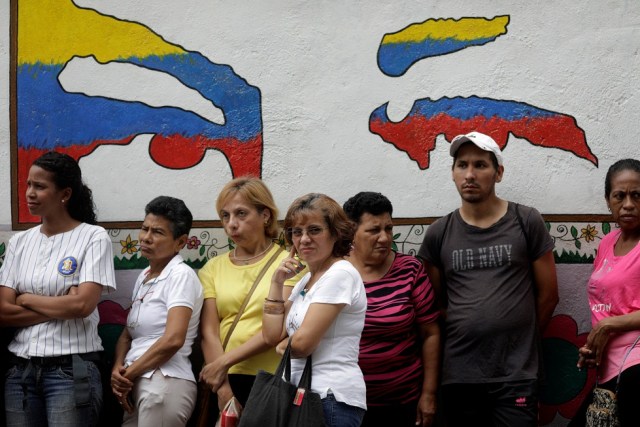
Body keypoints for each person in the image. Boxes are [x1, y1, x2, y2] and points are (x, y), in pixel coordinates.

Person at [417, 131, 558, 426]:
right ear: (453, 173)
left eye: (480, 165)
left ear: (498, 173)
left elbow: (548, 296)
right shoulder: (439, 233)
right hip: (459, 373)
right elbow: (433, 304)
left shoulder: (526, 221)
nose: (470, 174)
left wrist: (519, 339)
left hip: (516, 374)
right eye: (462, 165)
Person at [0, 151, 117, 427]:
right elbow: (3, 311)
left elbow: (82, 306)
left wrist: (25, 298)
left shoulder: (93, 237)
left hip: (71, 370)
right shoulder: (19, 243)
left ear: (65, 194)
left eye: (39, 186)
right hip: (20, 371)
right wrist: (60, 306)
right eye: (29, 184)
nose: (30, 193)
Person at [198, 177, 305, 410]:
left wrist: (223, 362)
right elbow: (209, 331)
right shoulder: (212, 268)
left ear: (265, 215)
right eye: (225, 216)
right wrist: (223, 387)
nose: (231, 224)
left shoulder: (288, 263)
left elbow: (277, 330)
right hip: (226, 378)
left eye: (241, 214)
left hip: (270, 377)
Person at [262, 193, 367, 427]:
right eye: (297, 232)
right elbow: (271, 335)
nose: (304, 239)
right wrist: (276, 282)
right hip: (301, 396)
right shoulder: (306, 280)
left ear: (336, 233)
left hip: (329, 398)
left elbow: (301, 345)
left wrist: (283, 345)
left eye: (314, 230)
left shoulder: (340, 273)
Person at [343, 191, 440, 427]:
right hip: (346, 402)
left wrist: (428, 394)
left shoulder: (410, 269)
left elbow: (431, 333)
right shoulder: (334, 272)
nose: (385, 238)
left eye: (388, 228)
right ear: (351, 232)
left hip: (403, 401)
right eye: (374, 230)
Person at [110, 196, 203, 426]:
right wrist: (118, 370)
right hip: (137, 380)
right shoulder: (144, 276)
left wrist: (128, 376)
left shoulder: (181, 275)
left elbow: (173, 339)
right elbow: (127, 334)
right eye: (144, 229)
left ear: (180, 242)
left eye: (158, 232)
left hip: (165, 382)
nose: (146, 238)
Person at [574, 159, 640, 426]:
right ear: (608, 200)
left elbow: (610, 319)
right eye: (619, 196)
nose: (628, 204)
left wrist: (608, 326)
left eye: (637, 195)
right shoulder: (607, 243)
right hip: (609, 367)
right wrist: (593, 347)